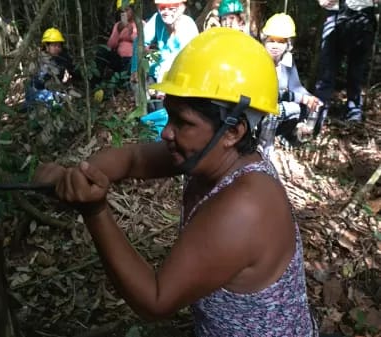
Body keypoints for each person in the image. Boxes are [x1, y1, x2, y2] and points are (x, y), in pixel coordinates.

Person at [34, 28, 318, 336]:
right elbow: (132, 160)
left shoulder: (246, 206)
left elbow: (156, 300)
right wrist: (74, 175)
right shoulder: (209, 156)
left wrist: (94, 210)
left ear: (233, 131)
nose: (167, 132)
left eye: (182, 122)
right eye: (169, 116)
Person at [258, 13, 322, 155]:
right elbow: (270, 93)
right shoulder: (258, 58)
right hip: (257, 110)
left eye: (281, 42)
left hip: (277, 109)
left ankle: (295, 137)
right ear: (264, 40)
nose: (275, 46)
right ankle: (263, 151)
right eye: (271, 40)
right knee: (276, 111)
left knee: (300, 109)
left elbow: (296, 86)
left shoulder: (287, 61)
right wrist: (301, 98)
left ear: (288, 44)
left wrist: (310, 100)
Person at [314, 0, 377, 128]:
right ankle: (317, 114)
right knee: (326, 70)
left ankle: (354, 113)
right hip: (334, 13)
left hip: (363, 15)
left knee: (356, 71)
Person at [130, 0, 199, 87]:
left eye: (171, 8)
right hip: (162, 61)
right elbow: (139, 41)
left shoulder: (187, 25)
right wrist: (135, 69)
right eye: (162, 8)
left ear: (181, 8)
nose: (166, 12)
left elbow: (186, 59)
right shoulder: (157, 19)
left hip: (180, 72)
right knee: (147, 59)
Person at [91, 0, 142, 90]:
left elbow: (141, 44)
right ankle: (95, 85)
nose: (124, 13)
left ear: (133, 10)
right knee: (101, 51)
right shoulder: (118, 25)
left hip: (132, 60)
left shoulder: (140, 24)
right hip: (118, 59)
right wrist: (118, 30)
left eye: (127, 10)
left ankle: (121, 85)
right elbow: (110, 45)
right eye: (122, 11)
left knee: (129, 69)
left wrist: (131, 32)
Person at [26, 28, 79, 109]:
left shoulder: (61, 58)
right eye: (54, 45)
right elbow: (32, 82)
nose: (57, 48)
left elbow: (75, 73)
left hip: (54, 92)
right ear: (46, 46)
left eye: (59, 46)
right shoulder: (37, 59)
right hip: (38, 95)